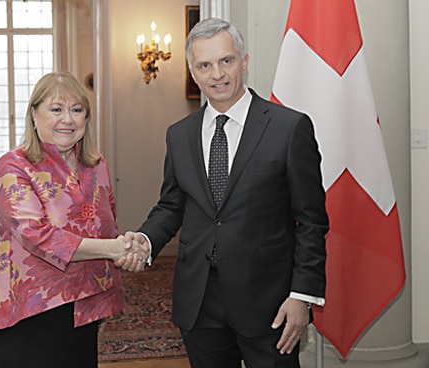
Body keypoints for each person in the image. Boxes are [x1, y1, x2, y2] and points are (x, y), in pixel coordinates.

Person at [120, 18, 329, 367]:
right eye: (204, 65)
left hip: (269, 302)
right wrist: (146, 239)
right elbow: (172, 205)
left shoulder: (289, 128)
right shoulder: (179, 134)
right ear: (193, 72)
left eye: (226, 61)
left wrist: (302, 296)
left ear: (244, 61)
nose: (217, 74)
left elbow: (311, 220)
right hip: (199, 300)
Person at [0, 71, 148, 368]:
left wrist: (128, 247)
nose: (67, 119)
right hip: (31, 307)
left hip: (86, 303)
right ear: (34, 113)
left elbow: (108, 223)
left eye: (76, 110)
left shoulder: (96, 164)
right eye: (56, 109)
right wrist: (116, 249)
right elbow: (37, 236)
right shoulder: (13, 166)